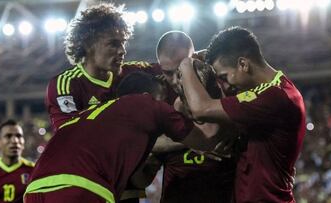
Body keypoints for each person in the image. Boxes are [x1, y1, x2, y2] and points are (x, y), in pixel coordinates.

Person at [24, 72, 222, 203]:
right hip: (80, 189)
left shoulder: (96, 115)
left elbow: (137, 179)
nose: (165, 105)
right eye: (162, 99)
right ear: (147, 94)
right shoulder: (147, 103)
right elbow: (208, 138)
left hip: (34, 190)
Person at [178, 26, 306, 202]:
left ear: (243, 64)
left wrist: (185, 64)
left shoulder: (275, 97)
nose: (225, 85)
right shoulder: (271, 90)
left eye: (223, 77)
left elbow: (201, 108)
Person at [46, 3, 161, 132]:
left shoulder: (136, 72)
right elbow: (71, 135)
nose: (122, 51)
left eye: (123, 43)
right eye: (113, 44)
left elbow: (172, 66)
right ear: (88, 45)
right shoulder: (66, 85)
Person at [154, 30, 236, 203]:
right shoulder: (158, 95)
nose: (176, 80)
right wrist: (193, 140)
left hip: (223, 193)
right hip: (176, 194)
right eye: (168, 72)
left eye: (181, 69)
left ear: (196, 59)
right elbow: (146, 142)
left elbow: (219, 133)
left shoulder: (224, 84)